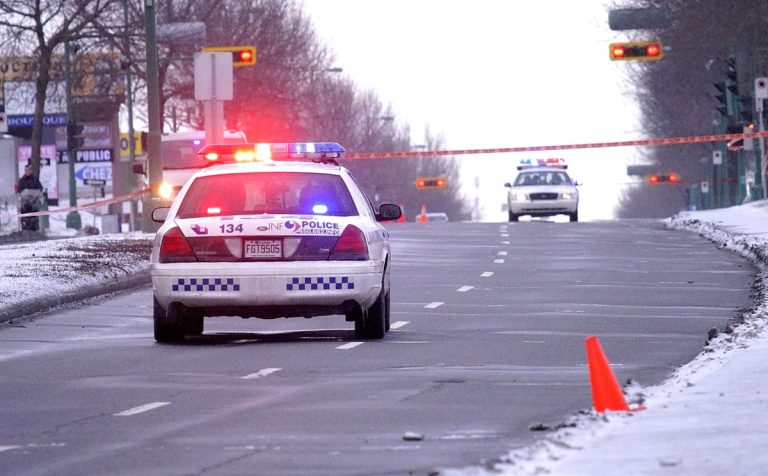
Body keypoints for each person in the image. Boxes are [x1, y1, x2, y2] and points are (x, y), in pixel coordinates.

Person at [16, 165, 44, 231]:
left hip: (34, 204)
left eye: (28, 170)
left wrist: (34, 193)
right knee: (25, 218)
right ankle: (25, 229)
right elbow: (18, 190)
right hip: (24, 204)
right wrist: (24, 193)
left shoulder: (35, 180)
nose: (27, 171)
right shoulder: (21, 180)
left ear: (31, 171)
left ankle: (34, 229)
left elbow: (40, 188)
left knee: (34, 218)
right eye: (26, 170)